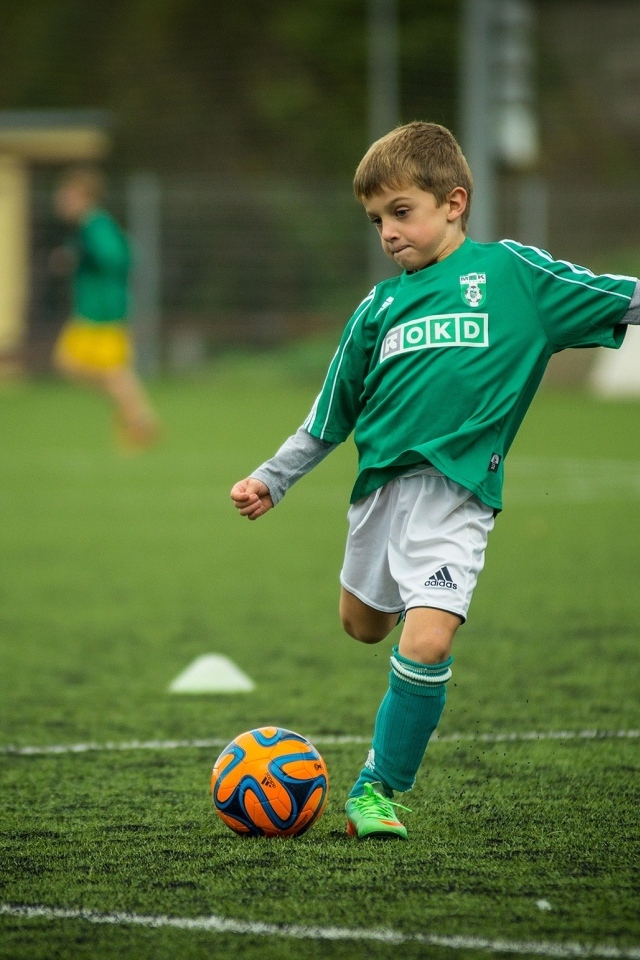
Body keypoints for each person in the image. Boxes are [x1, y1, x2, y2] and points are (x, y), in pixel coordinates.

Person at [230, 121, 640, 840]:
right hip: (378, 497)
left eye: (401, 211)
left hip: (457, 498)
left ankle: (376, 789)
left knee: (426, 643)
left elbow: (619, 295)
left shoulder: (513, 275)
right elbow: (329, 416)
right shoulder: (377, 308)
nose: (388, 232)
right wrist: (274, 478)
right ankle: (402, 609)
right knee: (363, 626)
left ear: (454, 202)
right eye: (376, 220)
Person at [52, 166, 160, 449]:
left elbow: (118, 256)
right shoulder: (87, 227)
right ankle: (136, 416)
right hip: (92, 310)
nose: (61, 200)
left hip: (102, 312)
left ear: (84, 197)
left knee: (105, 370)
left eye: (68, 195)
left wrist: (81, 257)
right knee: (78, 366)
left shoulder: (95, 225)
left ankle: (138, 419)